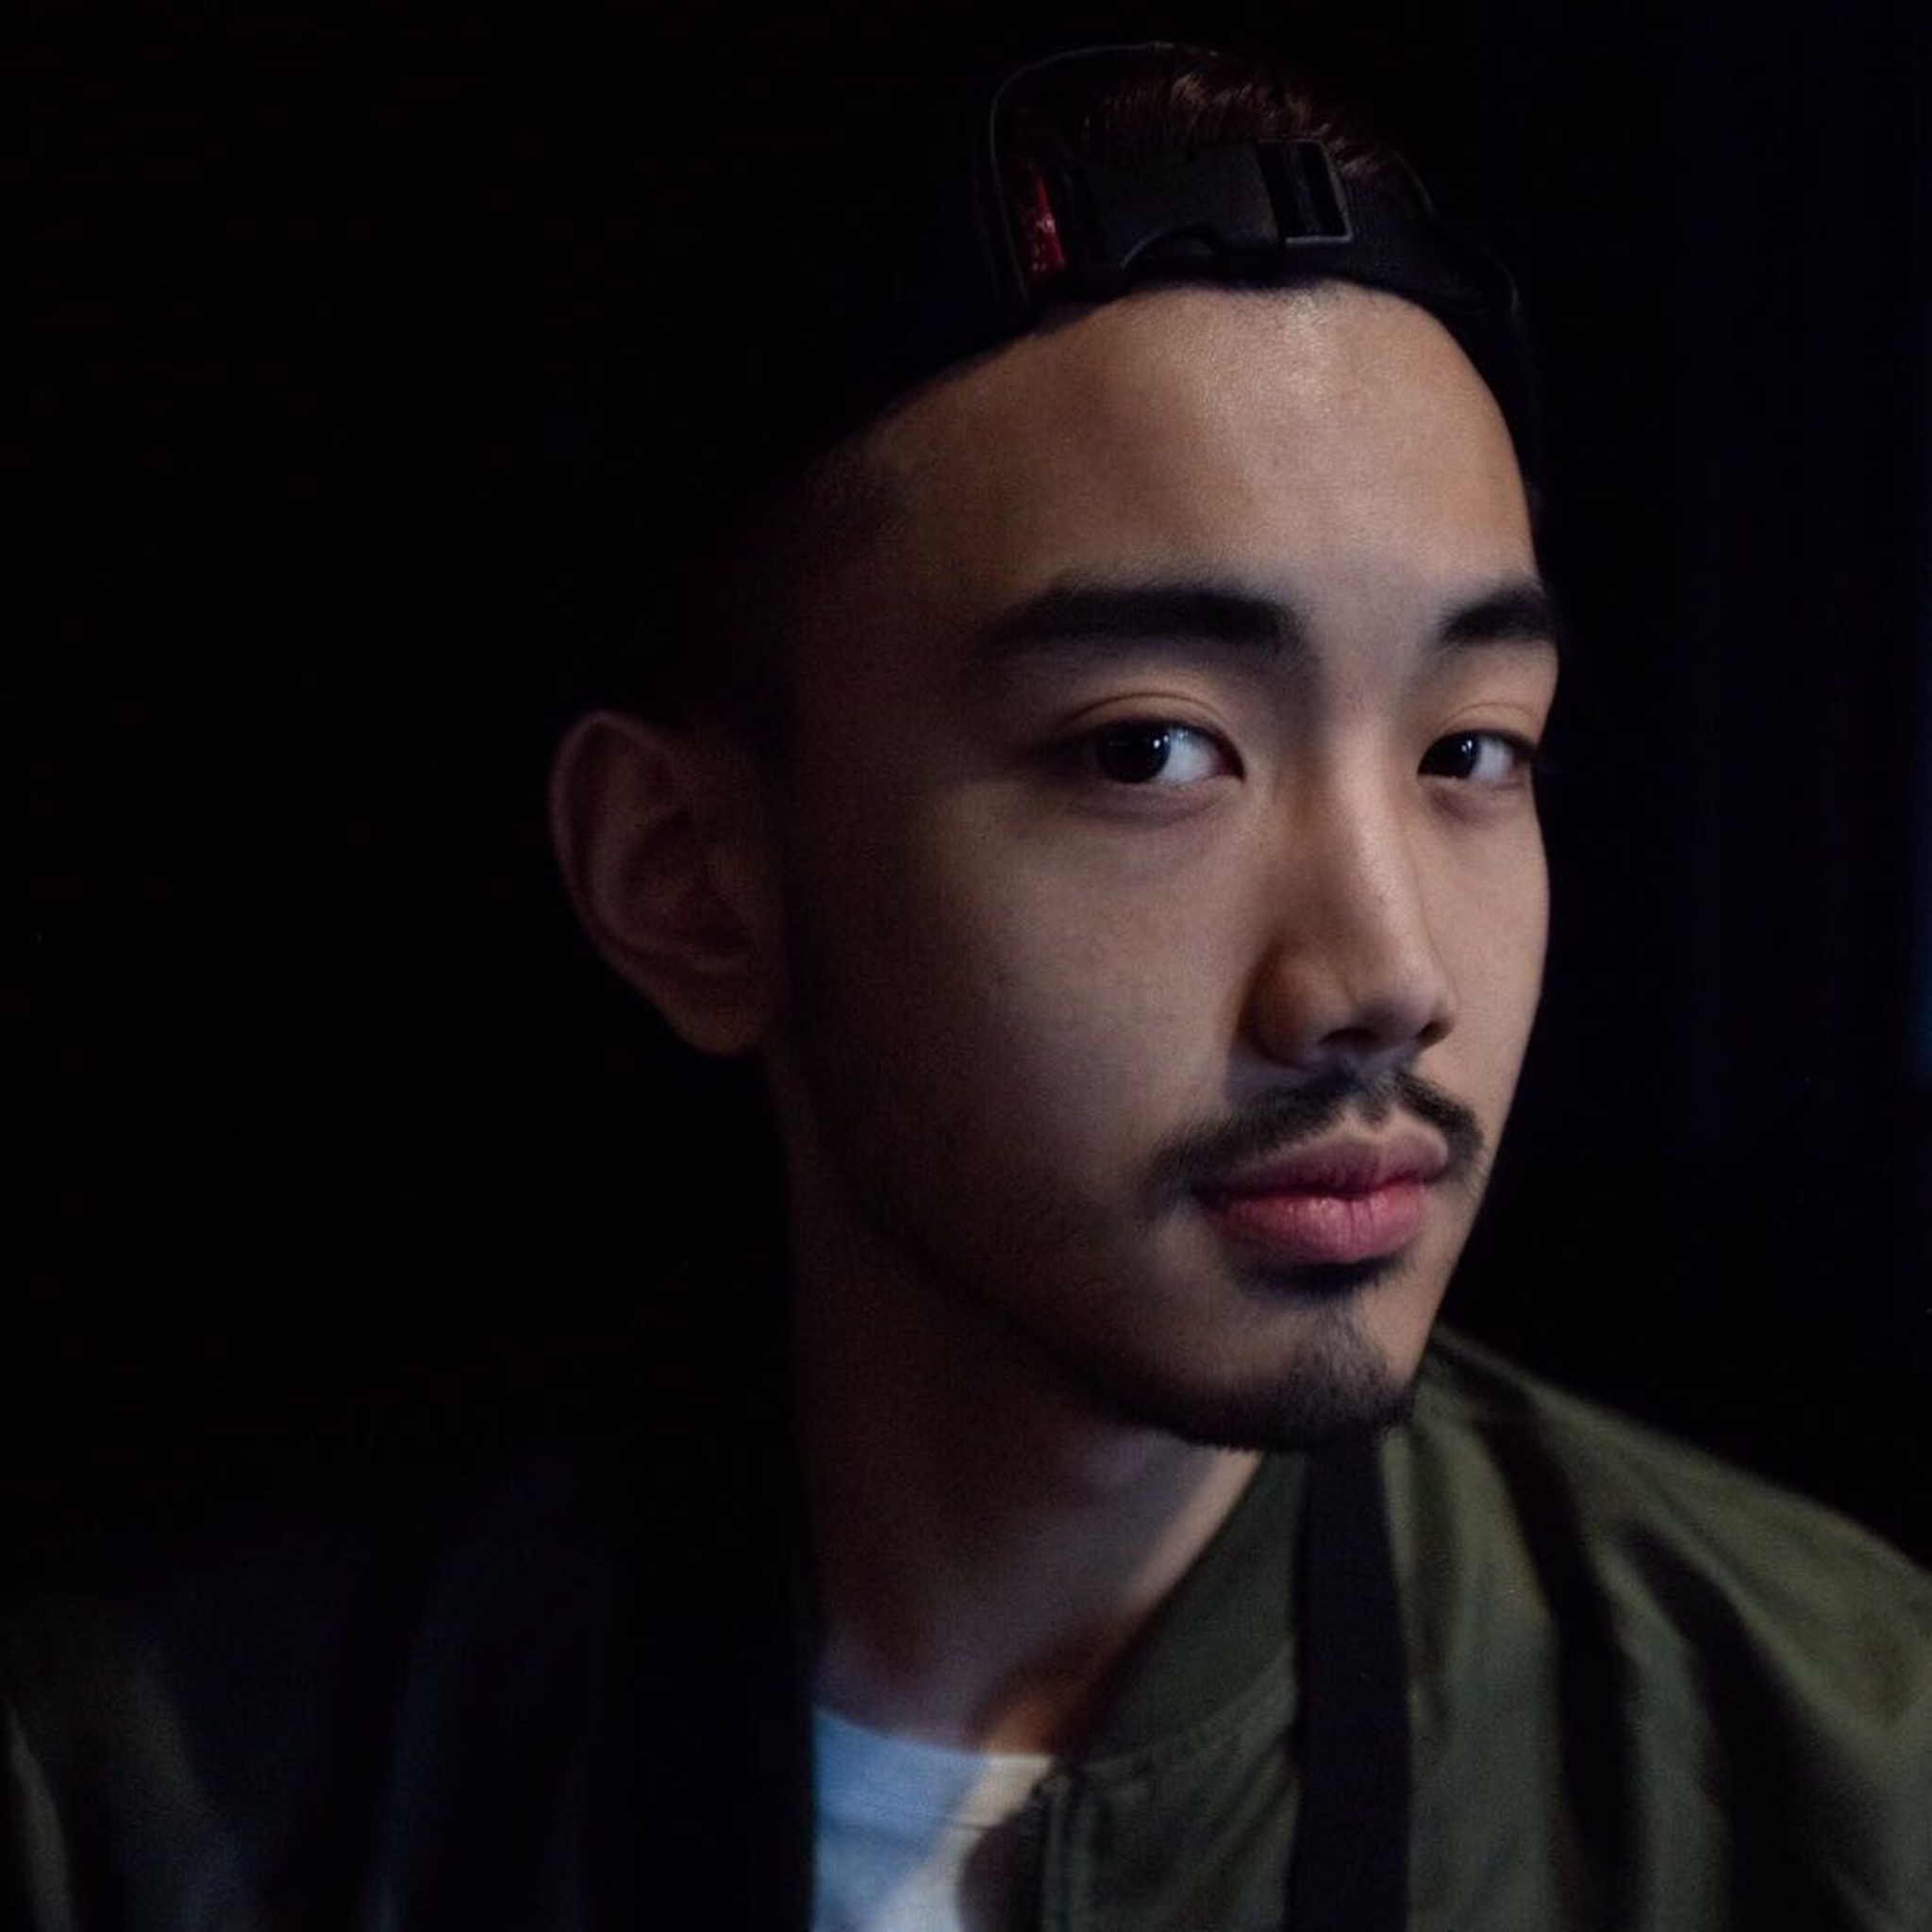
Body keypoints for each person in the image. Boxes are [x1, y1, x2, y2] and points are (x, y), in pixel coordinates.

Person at [6, 34, 1928, 1932]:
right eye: (1149, 749)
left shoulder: (1843, 1765)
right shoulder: (153, 1787)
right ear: (686, 882)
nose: (1384, 976)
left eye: (1470, 750)